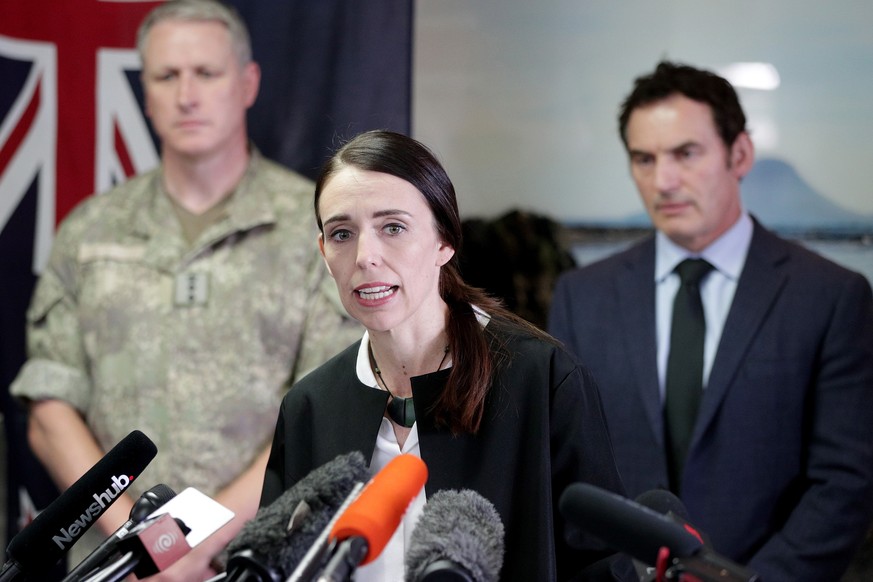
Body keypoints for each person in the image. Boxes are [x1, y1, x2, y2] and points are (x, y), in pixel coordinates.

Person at [10, 0, 360, 579]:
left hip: (261, 560)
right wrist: (137, 544)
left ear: (247, 83)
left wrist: (191, 546)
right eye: (166, 76)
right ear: (144, 93)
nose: (186, 95)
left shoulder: (317, 228)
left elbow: (325, 413)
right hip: (110, 564)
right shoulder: (89, 231)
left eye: (206, 73)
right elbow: (51, 411)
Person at [549, 60, 873, 581]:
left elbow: (846, 483)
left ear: (739, 154)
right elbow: (565, 472)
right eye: (644, 159)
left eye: (686, 153)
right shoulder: (582, 297)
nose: (664, 180)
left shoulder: (831, 296)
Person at [260, 130, 628, 581]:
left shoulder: (544, 381)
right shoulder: (309, 407)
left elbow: (603, 567)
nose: (365, 256)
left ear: (444, 242)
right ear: (323, 252)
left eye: (392, 227)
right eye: (342, 233)